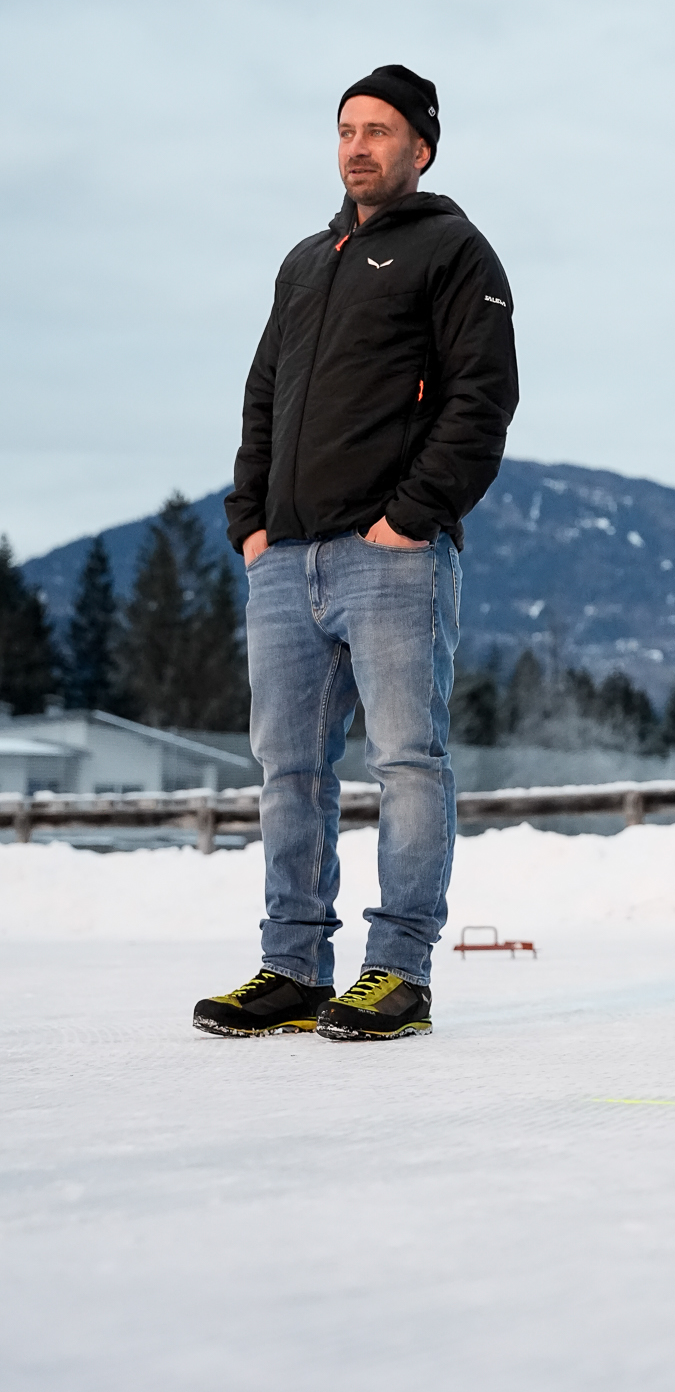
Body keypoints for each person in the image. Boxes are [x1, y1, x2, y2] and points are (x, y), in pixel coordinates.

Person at [194, 64, 518, 1042]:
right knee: (289, 769)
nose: (357, 147)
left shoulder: (454, 250)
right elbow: (264, 396)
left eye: (379, 130)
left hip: (391, 556)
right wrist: (250, 522)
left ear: (421, 147)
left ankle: (398, 972)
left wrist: (411, 516)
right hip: (285, 558)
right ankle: (293, 968)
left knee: (407, 762)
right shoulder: (306, 261)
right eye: (345, 129)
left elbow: (482, 397)